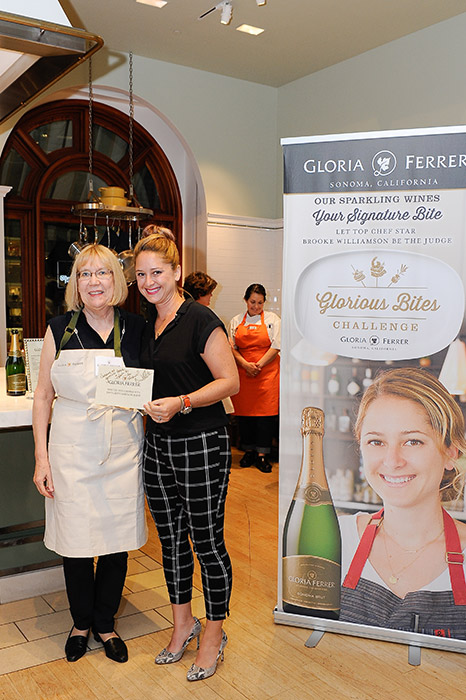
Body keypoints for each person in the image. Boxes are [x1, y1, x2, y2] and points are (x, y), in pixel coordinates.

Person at [32, 244, 147, 664]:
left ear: (117, 280)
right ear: (75, 284)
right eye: (84, 274)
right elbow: (43, 396)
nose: (94, 281)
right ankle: (80, 624)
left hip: (122, 448)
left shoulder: (137, 327)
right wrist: (41, 459)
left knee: (117, 541)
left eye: (102, 273)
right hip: (71, 449)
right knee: (76, 541)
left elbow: (154, 385)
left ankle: (105, 623)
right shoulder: (59, 328)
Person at [134, 228, 239, 682]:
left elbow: (230, 381)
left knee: (207, 542)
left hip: (201, 442)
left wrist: (183, 402)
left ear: (177, 272)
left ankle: (213, 633)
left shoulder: (200, 318)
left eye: (157, 272)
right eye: (141, 274)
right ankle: (182, 625)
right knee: (172, 541)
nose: (149, 282)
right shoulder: (146, 324)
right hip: (157, 445)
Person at [340, 367, 466, 639]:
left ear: (450, 452)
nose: (392, 461)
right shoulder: (336, 538)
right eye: (376, 441)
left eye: (413, 441)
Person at [229, 283, 280, 473]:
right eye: (252, 302)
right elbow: (231, 347)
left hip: (267, 373)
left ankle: (262, 455)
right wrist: (245, 365)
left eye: (260, 303)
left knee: (265, 416)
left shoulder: (273, 320)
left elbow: (276, 346)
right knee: (245, 415)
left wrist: (258, 365)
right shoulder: (236, 321)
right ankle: (248, 451)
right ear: (245, 300)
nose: (256, 306)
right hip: (243, 372)